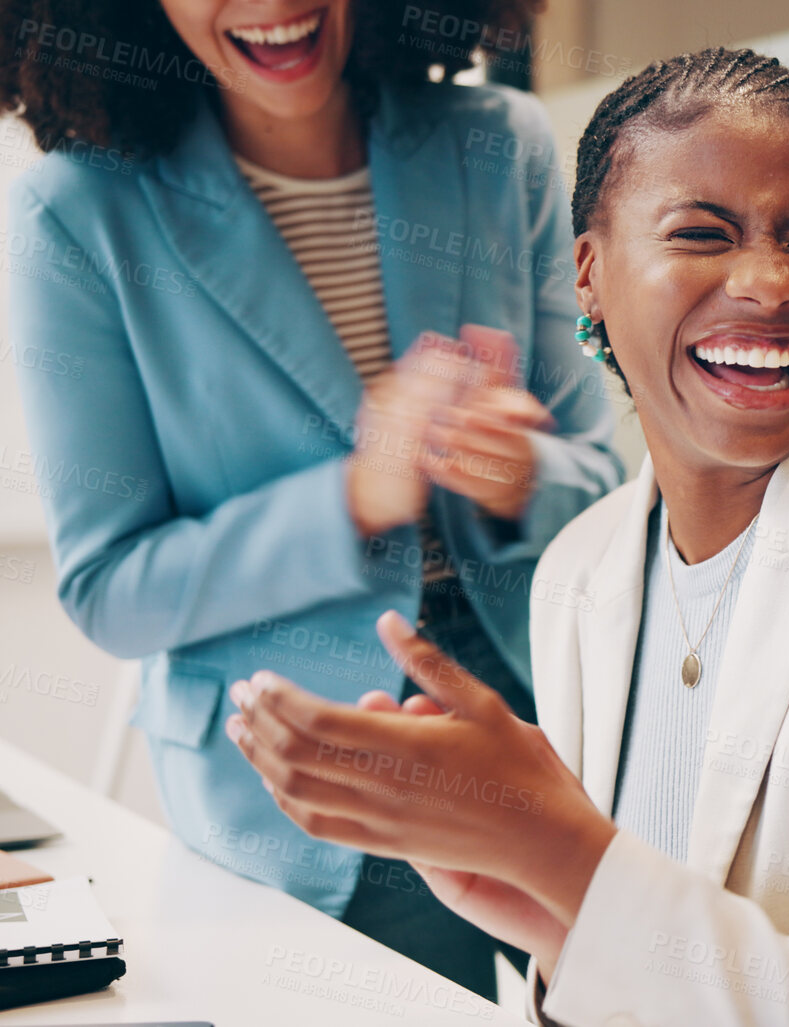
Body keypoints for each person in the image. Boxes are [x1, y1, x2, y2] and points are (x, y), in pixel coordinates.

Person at [225, 48, 789, 1026]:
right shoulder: (579, 570)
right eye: (702, 232)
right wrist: (542, 914)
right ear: (589, 274)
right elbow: (638, 968)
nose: (772, 284)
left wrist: (561, 854)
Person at [3, 0, 623, 997]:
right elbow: (111, 587)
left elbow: (601, 479)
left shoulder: (499, 145)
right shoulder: (74, 215)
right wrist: (354, 495)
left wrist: (520, 478)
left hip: (547, 709)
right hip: (305, 764)